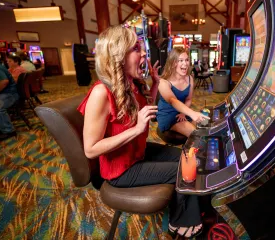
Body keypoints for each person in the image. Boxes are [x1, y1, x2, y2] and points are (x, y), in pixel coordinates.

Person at [77, 25, 204, 238]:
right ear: (118, 55)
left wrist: (154, 85)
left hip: (138, 154)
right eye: (136, 48)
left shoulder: (130, 84)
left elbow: (147, 109)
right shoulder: (101, 92)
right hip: (120, 170)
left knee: (190, 156)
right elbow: (90, 149)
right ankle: (180, 223)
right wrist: (136, 130)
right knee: (186, 169)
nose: (144, 52)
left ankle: (188, 208)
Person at [157, 48, 209, 137]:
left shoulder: (190, 79)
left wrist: (183, 113)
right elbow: (172, 100)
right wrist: (192, 113)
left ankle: (189, 149)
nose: (185, 63)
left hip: (183, 112)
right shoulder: (163, 82)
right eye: (180, 60)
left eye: (187, 60)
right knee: (197, 135)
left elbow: (188, 99)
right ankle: (188, 150)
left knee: (205, 126)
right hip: (168, 115)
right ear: (173, 63)